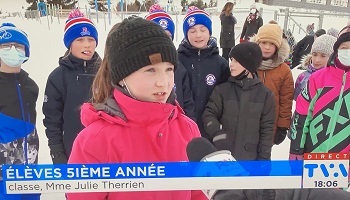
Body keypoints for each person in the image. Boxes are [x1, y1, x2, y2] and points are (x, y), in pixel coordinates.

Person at [67, 17, 207, 200]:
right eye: (150, 70)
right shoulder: (95, 140)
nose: (163, 82)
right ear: (122, 77)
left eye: (169, 69)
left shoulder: (187, 129)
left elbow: (199, 192)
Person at [42, 9, 101, 164]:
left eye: (91, 39)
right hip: (72, 152)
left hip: (104, 150)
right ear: (69, 44)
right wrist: (57, 153)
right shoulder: (57, 77)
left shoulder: (106, 73)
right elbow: (52, 120)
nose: (87, 45)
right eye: (80, 40)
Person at [203, 42, 275, 161]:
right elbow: (208, 115)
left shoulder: (265, 95)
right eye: (231, 60)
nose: (231, 65)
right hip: (223, 157)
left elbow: (267, 130)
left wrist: (264, 158)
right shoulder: (222, 90)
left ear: (249, 65)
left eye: (237, 61)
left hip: (250, 160)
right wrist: (218, 134)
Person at [290, 25, 350, 159]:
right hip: (313, 156)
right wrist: (296, 150)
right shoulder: (317, 78)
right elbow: (301, 115)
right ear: (337, 50)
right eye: (344, 48)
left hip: (344, 161)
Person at [0, 23, 40, 200]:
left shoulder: (30, 86)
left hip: (29, 165)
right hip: (3, 172)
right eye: (5, 46)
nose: (13, 50)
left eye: (18, 46)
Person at [178, 6, 230, 140]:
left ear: (209, 32)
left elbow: (227, 98)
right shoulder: (177, 61)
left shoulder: (221, 64)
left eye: (203, 29)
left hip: (211, 130)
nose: (198, 35)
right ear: (186, 34)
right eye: (192, 31)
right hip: (182, 130)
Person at [145, 4, 195, 120]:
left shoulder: (178, 67)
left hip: (174, 128)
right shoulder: (136, 68)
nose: (162, 40)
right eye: (157, 35)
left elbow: (187, 103)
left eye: (167, 36)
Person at [250, 22, 294, 146]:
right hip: (247, 123)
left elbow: (286, 101)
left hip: (270, 125)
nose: (267, 47)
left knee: (263, 159)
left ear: (278, 47)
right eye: (264, 43)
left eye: (272, 44)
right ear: (257, 43)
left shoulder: (283, 70)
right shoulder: (248, 64)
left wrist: (283, 125)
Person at [294, 34, 337, 100]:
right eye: (314, 55)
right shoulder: (303, 77)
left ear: (332, 57)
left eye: (323, 56)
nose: (317, 60)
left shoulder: (337, 79)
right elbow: (297, 99)